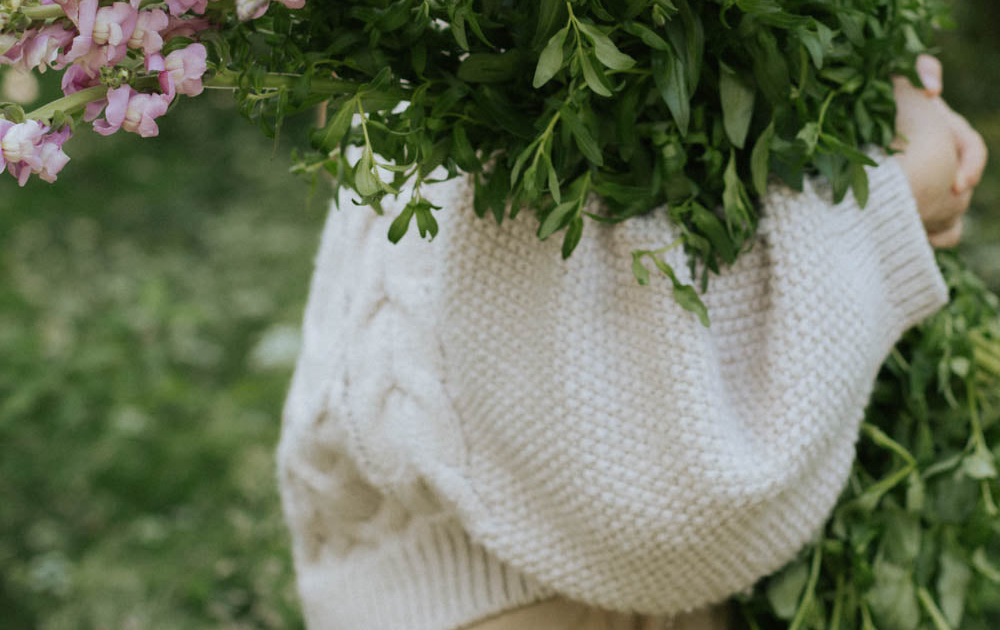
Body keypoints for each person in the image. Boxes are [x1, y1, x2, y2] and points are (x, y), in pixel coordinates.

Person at [277, 56, 987, 630]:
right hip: (519, 581)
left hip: (448, 555)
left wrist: (885, 91)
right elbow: (672, 507)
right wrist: (885, 207)